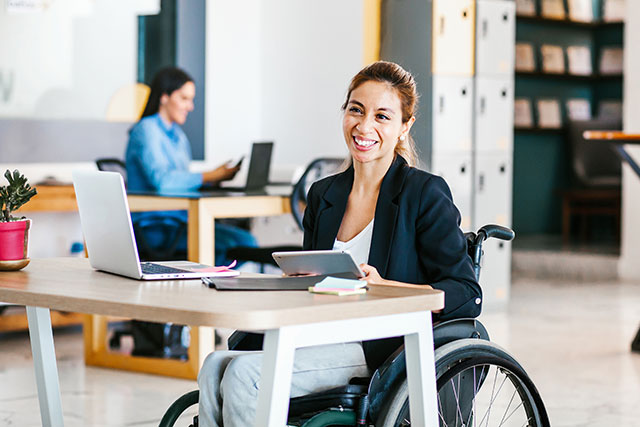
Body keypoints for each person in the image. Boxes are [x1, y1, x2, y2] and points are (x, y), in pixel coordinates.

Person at [197, 61, 481, 427]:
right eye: (356, 110)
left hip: (380, 347)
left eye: (382, 116)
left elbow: (466, 292)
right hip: (319, 334)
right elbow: (313, 284)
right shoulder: (324, 195)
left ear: (404, 127)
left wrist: (386, 287)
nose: (364, 127)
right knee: (214, 366)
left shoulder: (423, 194)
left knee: (245, 376)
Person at [125, 67, 257, 265]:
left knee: (246, 241)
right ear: (164, 97)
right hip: (155, 227)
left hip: (181, 222)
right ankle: (202, 286)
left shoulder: (178, 135)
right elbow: (163, 181)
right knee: (234, 246)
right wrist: (209, 176)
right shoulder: (146, 130)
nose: (191, 106)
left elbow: (181, 179)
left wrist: (217, 179)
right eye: (184, 98)